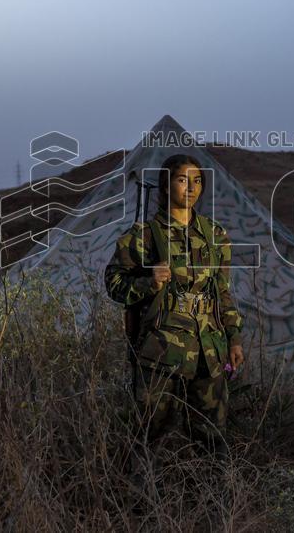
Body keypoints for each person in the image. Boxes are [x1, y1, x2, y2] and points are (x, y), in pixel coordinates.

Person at [103, 154, 245, 457]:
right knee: (147, 435)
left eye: (197, 181)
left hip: (209, 351)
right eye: (182, 180)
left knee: (212, 437)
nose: (191, 187)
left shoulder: (215, 236)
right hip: (160, 352)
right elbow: (114, 284)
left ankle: (213, 501)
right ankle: (139, 499)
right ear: (166, 187)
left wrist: (233, 338)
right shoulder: (143, 236)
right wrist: (148, 282)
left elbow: (222, 292)